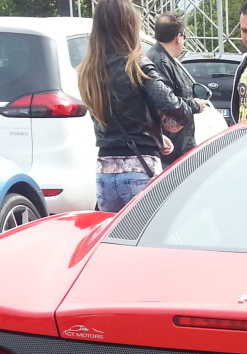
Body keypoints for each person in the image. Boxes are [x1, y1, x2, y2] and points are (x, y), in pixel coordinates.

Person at [78, 0, 195, 212]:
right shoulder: (136, 65)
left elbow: (111, 118)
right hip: (139, 171)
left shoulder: (88, 71)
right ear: (129, 26)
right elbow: (177, 109)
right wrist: (181, 114)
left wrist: (156, 134)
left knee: (113, 243)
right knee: (150, 242)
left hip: (104, 173)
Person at [144, 13, 212, 168]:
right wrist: (195, 105)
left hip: (171, 146)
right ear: (178, 37)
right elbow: (167, 102)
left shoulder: (160, 58)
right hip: (171, 150)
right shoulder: (161, 62)